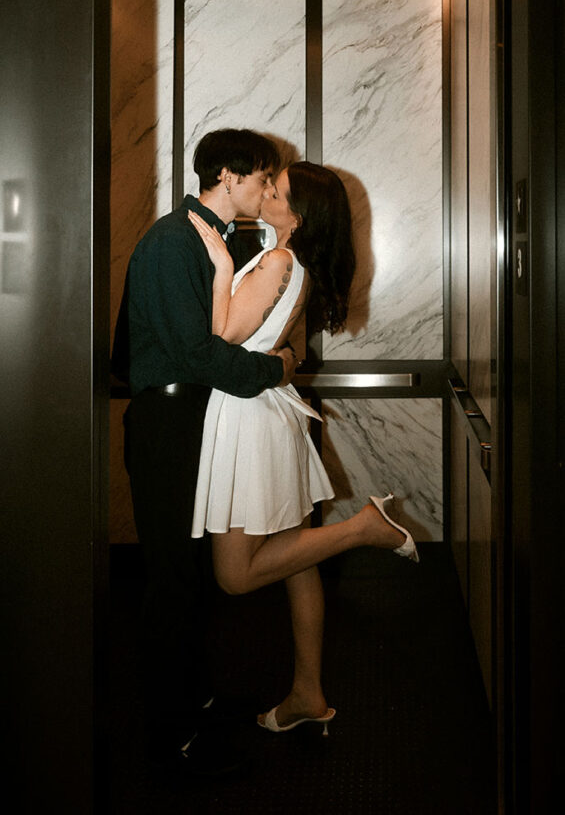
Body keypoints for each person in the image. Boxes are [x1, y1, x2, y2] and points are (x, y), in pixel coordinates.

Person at [188, 161, 419, 737]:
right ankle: (307, 694)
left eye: (278, 189)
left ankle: (363, 527)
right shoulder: (293, 263)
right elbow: (283, 346)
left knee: (235, 577)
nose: (266, 190)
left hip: (250, 423)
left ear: (298, 215)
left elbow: (221, 335)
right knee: (297, 561)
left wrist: (219, 266)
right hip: (270, 417)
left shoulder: (278, 261)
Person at [116, 129, 298, 773]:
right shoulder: (174, 241)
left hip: (188, 416)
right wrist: (274, 371)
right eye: (261, 178)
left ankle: (190, 699)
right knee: (170, 576)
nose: (267, 188)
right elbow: (196, 352)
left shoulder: (209, 239)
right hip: (168, 420)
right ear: (228, 175)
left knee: (189, 573)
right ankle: (166, 733)